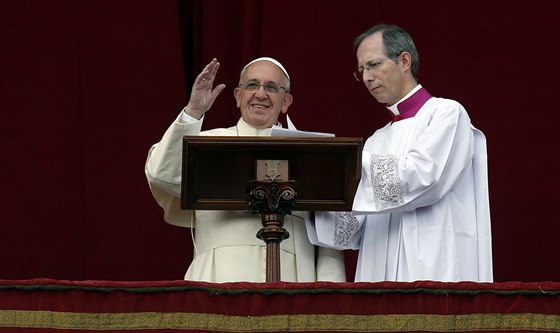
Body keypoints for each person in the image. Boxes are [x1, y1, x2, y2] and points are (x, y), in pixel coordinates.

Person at [306, 24, 493, 282]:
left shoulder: (446, 114)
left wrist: (339, 161)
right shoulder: (376, 140)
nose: (367, 77)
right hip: (379, 269)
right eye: (361, 71)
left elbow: (420, 177)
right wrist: (317, 191)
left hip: (433, 264)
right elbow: (348, 229)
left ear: (404, 61)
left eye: (373, 64)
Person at [145, 57, 346, 283]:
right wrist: (193, 111)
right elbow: (162, 175)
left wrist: (330, 296)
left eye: (271, 87)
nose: (260, 94)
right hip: (218, 279)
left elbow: (329, 240)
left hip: (295, 282)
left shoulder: (312, 154)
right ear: (238, 96)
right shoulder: (207, 144)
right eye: (252, 85)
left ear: (286, 102)